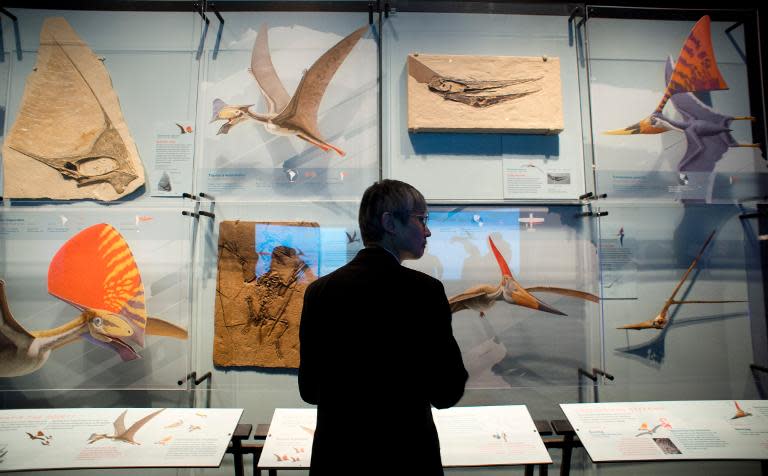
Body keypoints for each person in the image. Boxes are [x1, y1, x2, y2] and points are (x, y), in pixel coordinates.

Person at [299, 179, 468, 475]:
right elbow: (446, 391)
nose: (427, 230)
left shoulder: (319, 292)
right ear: (390, 222)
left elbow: (310, 390)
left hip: (338, 461)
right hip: (406, 460)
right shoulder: (424, 293)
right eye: (421, 219)